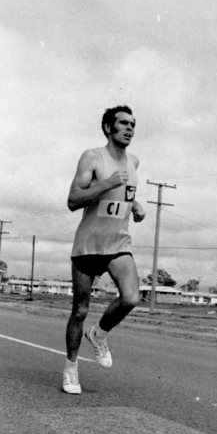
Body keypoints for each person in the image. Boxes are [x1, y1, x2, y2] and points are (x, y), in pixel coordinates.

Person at [62, 105, 146, 394]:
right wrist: (106, 183)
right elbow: (73, 200)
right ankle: (71, 369)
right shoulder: (92, 157)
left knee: (131, 298)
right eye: (123, 123)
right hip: (89, 245)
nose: (129, 128)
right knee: (80, 310)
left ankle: (98, 335)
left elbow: (123, 195)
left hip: (118, 244)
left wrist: (135, 206)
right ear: (109, 128)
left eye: (133, 124)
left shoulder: (134, 162)